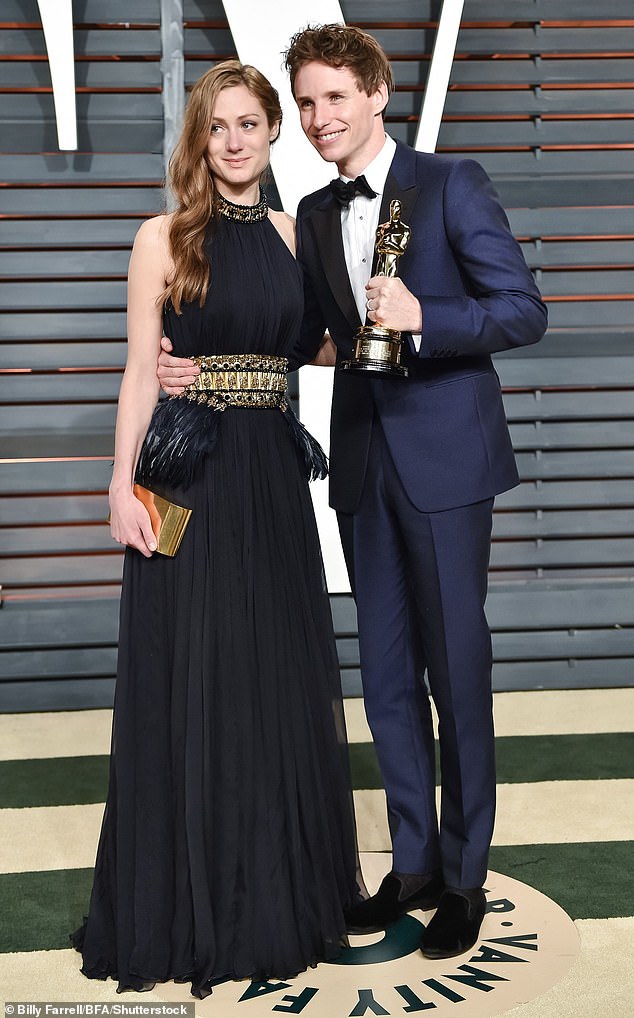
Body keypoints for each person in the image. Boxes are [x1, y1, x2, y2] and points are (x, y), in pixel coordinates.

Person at [158, 25, 548, 961]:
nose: (319, 117)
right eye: (308, 103)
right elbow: (309, 337)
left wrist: (428, 317)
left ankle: (463, 878)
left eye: (336, 97)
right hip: (364, 469)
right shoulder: (317, 215)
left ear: (377, 95)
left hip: (450, 469)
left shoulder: (453, 183)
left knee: (459, 674)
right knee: (384, 681)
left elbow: (524, 310)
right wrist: (198, 365)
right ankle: (411, 863)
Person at [71, 59, 362, 998]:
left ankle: (275, 893)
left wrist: (375, 318)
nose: (233, 141)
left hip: (272, 478)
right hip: (183, 474)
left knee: (272, 673)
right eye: (216, 127)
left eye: (249, 123)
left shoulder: (293, 230)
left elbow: (317, 342)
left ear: (274, 131)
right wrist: (119, 485)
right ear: (198, 141)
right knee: (188, 671)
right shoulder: (162, 236)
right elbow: (138, 371)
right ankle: (192, 906)